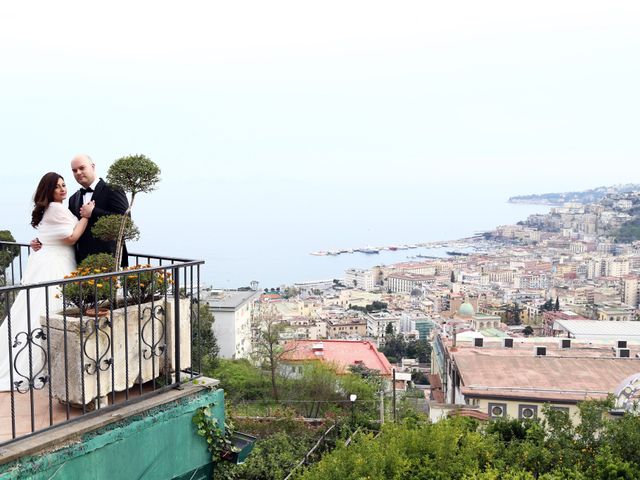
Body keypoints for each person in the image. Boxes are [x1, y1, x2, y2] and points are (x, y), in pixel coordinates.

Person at [0, 173, 91, 391]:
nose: (62, 189)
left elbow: (49, 234)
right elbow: (70, 238)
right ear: (48, 190)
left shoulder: (50, 208)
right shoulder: (57, 208)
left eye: (63, 185)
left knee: (36, 310)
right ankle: (46, 362)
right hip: (56, 264)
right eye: (57, 187)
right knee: (51, 311)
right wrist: (86, 217)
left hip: (46, 260)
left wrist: (40, 241)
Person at [32, 154, 130, 267]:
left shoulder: (113, 189)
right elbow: (65, 228)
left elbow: (125, 221)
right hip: (81, 263)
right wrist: (42, 241)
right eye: (74, 170)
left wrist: (93, 212)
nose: (78, 172)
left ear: (93, 167)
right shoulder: (74, 198)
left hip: (110, 261)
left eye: (82, 168)